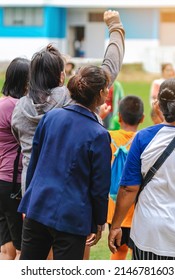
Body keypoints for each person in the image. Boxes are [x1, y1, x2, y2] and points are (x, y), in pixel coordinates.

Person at [11, 9, 125, 197]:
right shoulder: (71, 96)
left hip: (31, 194)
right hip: (66, 195)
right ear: (61, 75)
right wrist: (115, 27)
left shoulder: (20, 107)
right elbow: (109, 68)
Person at [18, 65, 112, 260]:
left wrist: (29, 198)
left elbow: (34, 163)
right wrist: (99, 221)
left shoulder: (51, 117)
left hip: (38, 205)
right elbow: (99, 186)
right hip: (72, 215)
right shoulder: (99, 134)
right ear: (101, 93)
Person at [108, 78, 175, 260]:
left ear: (159, 106)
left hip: (150, 236)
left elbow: (128, 188)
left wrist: (115, 226)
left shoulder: (143, 138)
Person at [107, 95, 144, 260]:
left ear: (119, 117)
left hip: (114, 209)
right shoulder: (144, 139)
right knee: (137, 252)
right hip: (136, 208)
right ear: (142, 119)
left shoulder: (108, 136)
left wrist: (99, 117)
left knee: (118, 250)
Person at [0, 57, 30, 260]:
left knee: (4, 245)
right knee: (22, 248)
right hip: (14, 181)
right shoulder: (18, 107)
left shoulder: (3, 104)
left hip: (2, 178)